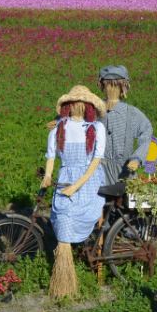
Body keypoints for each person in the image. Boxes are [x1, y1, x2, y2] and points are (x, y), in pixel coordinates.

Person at [40, 85, 107, 298]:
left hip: (88, 181)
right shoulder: (59, 128)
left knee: (77, 214)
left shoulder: (96, 129)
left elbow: (96, 161)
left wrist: (78, 185)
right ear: (68, 106)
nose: (78, 106)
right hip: (65, 177)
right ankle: (63, 278)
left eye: (82, 103)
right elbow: (51, 156)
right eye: (74, 103)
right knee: (62, 216)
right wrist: (48, 176)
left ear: (88, 107)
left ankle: (73, 275)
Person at [97, 65, 153, 187]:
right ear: (102, 86)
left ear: (123, 87)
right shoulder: (94, 111)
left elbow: (147, 132)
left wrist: (137, 158)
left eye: (116, 85)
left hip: (124, 171)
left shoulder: (131, 113)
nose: (111, 89)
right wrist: (61, 121)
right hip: (96, 171)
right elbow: (76, 121)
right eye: (108, 85)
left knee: (124, 202)